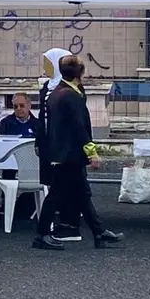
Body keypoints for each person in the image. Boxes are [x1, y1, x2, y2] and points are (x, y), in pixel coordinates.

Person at [32, 54, 122, 251]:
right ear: (80, 73)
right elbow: (79, 128)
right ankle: (41, 234)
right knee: (57, 194)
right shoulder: (71, 96)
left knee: (82, 193)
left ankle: (99, 232)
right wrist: (92, 152)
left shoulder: (57, 92)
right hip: (68, 154)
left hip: (60, 152)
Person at [35, 49, 81, 240]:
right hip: (50, 143)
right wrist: (39, 140)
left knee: (64, 187)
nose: (45, 67)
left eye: (48, 63)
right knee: (58, 185)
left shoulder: (69, 89)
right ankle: (68, 226)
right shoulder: (47, 87)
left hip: (65, 145)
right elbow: (42, 117)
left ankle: (67, 224)